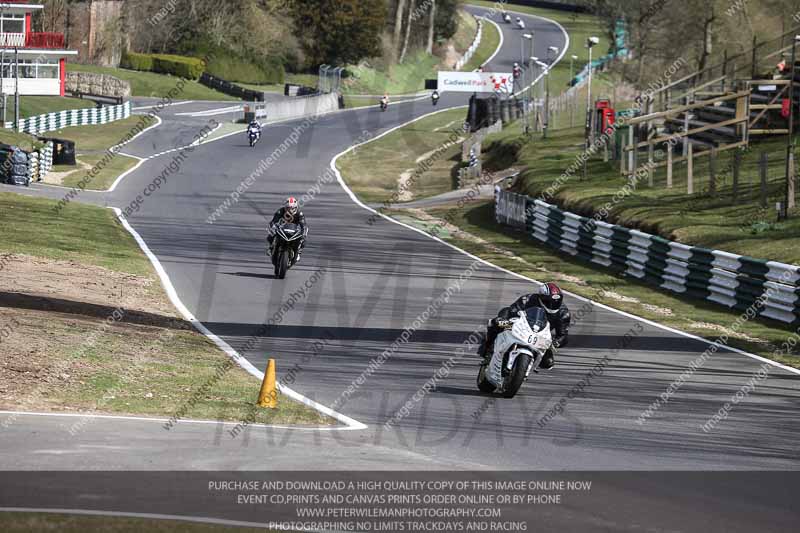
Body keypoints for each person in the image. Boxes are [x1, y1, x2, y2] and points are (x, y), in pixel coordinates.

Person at [478, 282, 571, 370]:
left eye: (557, 301)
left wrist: (556, 343)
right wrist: (502, 319)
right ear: (541, 298)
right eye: (549, 301)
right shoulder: (528, 299)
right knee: (497, 322)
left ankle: (523, 368)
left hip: (541, 334)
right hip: (521, 326)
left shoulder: (564, 313)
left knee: (548, 363)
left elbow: (563, 335)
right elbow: (511, 310)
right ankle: (487, 349)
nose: (553, 304)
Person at [268, 197, 307, 262]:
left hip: (294, 231)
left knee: (303, 241)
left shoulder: (299, 214)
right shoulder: (280, 211)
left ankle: (298, 252)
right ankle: (271, 248)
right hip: (282, 230)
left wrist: (303, 233)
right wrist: (273, 226)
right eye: (288, 208)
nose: (290, 210)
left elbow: (304, 225)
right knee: (270, 236)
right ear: (285, 207)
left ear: (296, 208)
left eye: (292, 208)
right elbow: (274, 221)